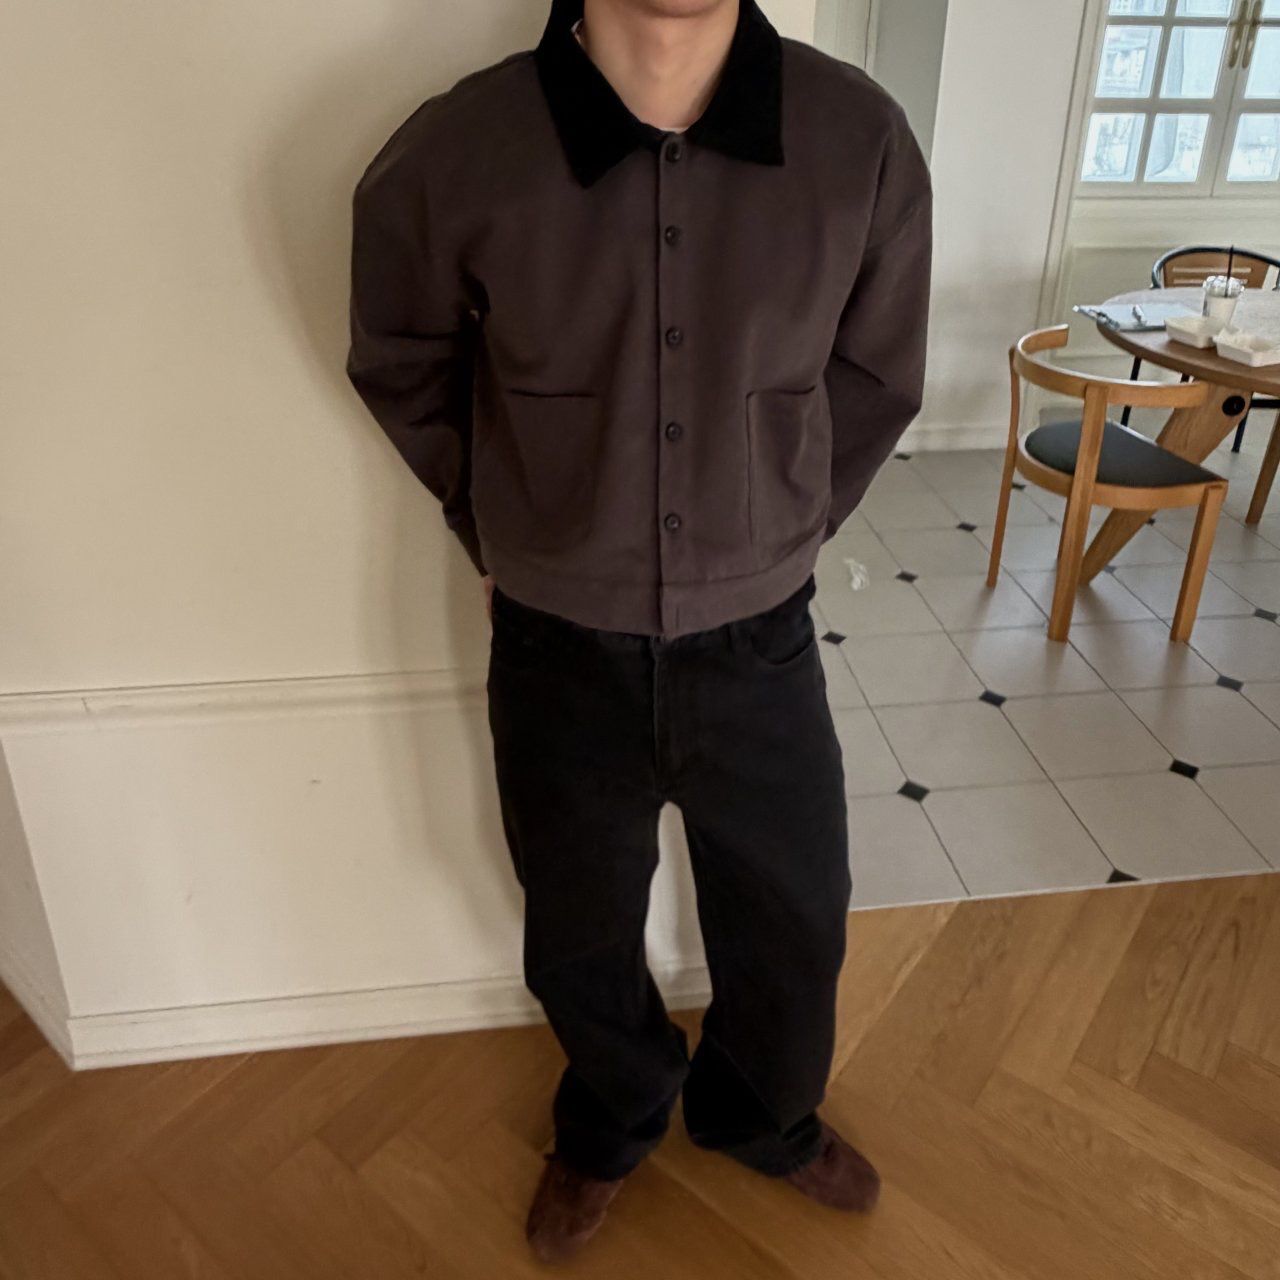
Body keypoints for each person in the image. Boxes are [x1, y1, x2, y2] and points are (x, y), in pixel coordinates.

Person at [346, 0, 931, 1263]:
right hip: (557, 641)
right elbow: (402, 356)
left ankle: (762, 1114)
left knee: (794, 915)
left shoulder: (858, 140)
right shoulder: (456, 150)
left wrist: (775, 524)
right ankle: (612, 1111)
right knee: (575, 926)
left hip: (760, 638)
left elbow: (874, 372)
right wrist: (496, 523)